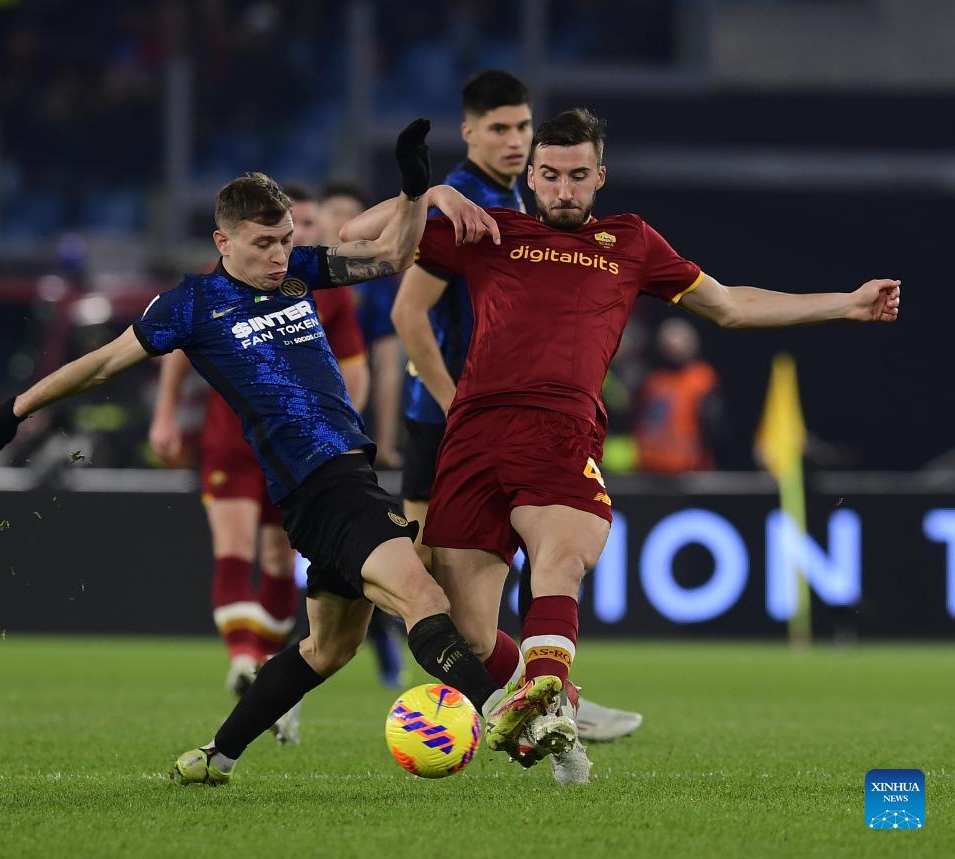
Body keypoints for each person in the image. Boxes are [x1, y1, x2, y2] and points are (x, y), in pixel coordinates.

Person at [0, 120, 559, 786]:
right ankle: (505, 714)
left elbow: (394, 256)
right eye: (263, 243)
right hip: (321, 486)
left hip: (341, 478)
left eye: (285, 240)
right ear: (223, 241)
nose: (279, 255)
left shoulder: (297, 273)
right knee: (424, 595)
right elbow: (103, 362)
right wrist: (17, 407)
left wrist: (414, 189)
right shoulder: (192, 305)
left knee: (328, 648)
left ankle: (214, 755)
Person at [354, 107, 900, 783]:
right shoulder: (490, 230)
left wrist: (845, 303)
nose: (564, 189)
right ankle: (560, 711)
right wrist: (432, 192)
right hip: (473, 436)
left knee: (560, 560)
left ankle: (550, 696)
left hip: (560, 429)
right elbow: (360, 239)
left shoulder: (631, 241)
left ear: (600, 177)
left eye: (578, 175)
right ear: (532, 177)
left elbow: (730, 306)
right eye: (551, 175)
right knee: (466, 633)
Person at [389, 69, 642, 746]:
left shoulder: (519, 207)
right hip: (449, 418)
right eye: (500, 128)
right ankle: (546, 698)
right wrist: (452, 402)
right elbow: (407, 311)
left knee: (530, 565)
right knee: (420, 589)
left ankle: (551, 696)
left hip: (510, 421)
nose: (513, 139)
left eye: (522, 126)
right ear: (470, 133)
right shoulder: (470, 202)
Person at [148, 183, 381, 745]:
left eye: (299, 230)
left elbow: (355, 370)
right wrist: (165, 415)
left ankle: (263, 665)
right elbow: (172, 349)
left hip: (297, 450)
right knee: (232, 547)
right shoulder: (218, 283)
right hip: (231, 440)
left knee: (279, 557)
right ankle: (243, 657)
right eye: (278, 233)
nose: (286, 245)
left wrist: (334, 435)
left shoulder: (323, 287)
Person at [320, 182, 405, 470]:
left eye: (354, 215)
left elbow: (387, 364)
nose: (344, 222)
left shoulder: (376, 282)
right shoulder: (287, 273)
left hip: (353, 414)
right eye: (336, 212)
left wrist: (385, 443)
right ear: (318, 217)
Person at [633, 317, 726, 473]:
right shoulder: (652, 380)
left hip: (690, 469)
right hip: (649, 468)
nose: (673, 346)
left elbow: (716, 428)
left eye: (679, 341)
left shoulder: (702, 379)